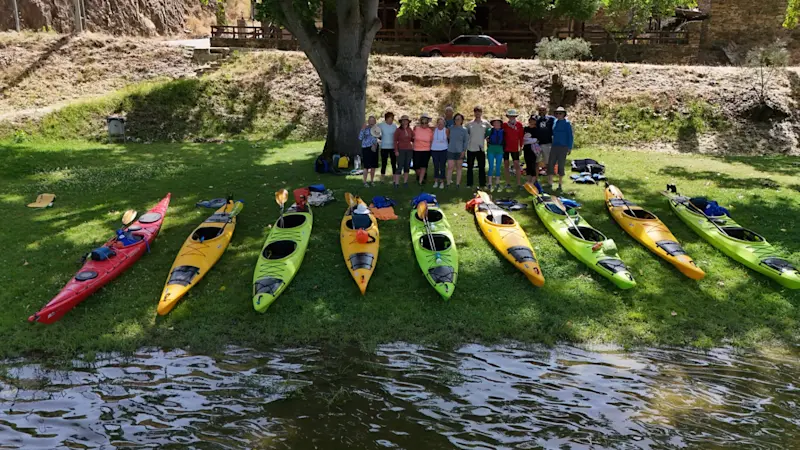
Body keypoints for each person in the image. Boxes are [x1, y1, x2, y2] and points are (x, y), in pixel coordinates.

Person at [549, 106, 574, 192]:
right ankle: (550, 183)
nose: (559, 115)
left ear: (564, 114)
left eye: (560, 113)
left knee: (561, 165)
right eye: (557, 113)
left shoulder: (567, 123)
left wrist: (569, 147)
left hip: (563, 147)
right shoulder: (555, 122)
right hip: (554, 146)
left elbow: (570, 136)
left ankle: (560, 184)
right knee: (551, 163)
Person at [465, 105, 490, 188]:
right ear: (474, 113)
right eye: (476, 112)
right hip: (471, 148)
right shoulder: (469, 124)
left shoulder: (486, 123)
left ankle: (482, 184)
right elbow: (465, 134)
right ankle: (469, 184)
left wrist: (488, 138)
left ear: (481, 113)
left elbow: (491, 132)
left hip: (481, 148)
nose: (478, 113)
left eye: (479, 112)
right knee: (470, 167)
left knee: (482, 167)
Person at [502, 109, 524, 190]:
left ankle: (518, 184)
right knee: (506, 165)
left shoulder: (519, 125)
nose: (512, 117)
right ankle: (507, 183)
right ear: (508, 117)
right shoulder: (504, 125)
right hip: (505, 148)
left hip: (515, 148)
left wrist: (521, 147)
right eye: (510, 116)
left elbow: (521, 137)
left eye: (513, 116)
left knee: (516, 165)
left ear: (515, 116)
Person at [446, 113, 468, 188]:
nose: (457, 120)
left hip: (460, 151)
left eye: (459, 119)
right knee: (450, 167)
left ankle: (457, 184)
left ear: (462, 120)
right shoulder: (450, 128)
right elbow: (447, 136)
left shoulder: (464, 130)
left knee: (459, 167)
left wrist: (463, 151)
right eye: (456, 119)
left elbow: (466, 141)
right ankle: (448, 183)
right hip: (451, 150)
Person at [393, 115, 415, 188]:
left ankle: (405, 182)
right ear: (401, 122)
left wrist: (414, 138)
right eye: (403, 120)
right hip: (401, 149)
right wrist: (396, 150)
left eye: (406, 120)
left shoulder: (410, 129)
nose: (405, 122)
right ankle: (396, 183)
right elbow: (395, 141)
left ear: (408, 122)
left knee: (407, 166)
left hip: (409, 150)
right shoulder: (398, 130)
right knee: (399, 166)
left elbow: (412, 138)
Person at [533, 105, 554, 180]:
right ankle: (535, 179)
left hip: (547, 143)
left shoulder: (551, 119)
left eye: (543, 110)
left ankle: (550, 180)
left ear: (546, 110)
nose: (541, 111)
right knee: (536, 162)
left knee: (548, 162)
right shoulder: (535, 119)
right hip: (537, 145)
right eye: (540, 110)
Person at [358, 115, 380, 186]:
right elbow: (360, 138)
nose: (372, 122)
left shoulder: (376, 129)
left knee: (373, 166)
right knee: (366, 166)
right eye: (370, 121)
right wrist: (362, 129)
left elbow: (379, 137)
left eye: (373, 121)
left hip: (374, 148)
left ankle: (372, 181)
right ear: (368, 121)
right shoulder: (365, 128)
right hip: (366, 148)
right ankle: (364, 182)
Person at [413, 113, 434, 185]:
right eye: (423, 122)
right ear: (420, 122)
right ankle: (421, 176)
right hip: (416, 150)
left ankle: (420, 181)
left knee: (423, 166)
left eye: (426, 122)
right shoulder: (416, 129)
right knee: (416, 166)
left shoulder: (430, 131)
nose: (424, 124)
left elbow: (431, 141)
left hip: (426, 150)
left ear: (428, 122)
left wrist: (431, 150)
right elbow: (412, 138)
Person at [485, 118, 505, 191]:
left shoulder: (503, 131)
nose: (496, 124)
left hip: (499, 150)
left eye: (498, 123)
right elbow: (486, 138)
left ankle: (497, 183)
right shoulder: (489, 131)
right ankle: (489, 183)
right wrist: (487, 140)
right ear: (492, 124)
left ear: (500, 124)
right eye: (495, 123)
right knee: (491, 166)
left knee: (498, 167)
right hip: (491, 149)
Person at [378, 112, 398, 183]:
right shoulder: (381, 125)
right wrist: (379, 137)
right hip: (384, 147)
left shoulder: (394, 126)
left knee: (393, 163)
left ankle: (395, 179)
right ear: (386, 119)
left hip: (392, 147)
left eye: (392, 119)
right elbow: (375, 131)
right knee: (384, 163)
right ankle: (382, 179)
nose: (391, 120)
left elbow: (396, 136)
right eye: (390, 118)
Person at [430, 117, 449, 189]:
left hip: (444, 150)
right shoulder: (434, 129)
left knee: (442, 166)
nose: (440, 124)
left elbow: (449, 138)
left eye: (442, 123)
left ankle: (442, 182)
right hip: (434, 150)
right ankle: (435, 181)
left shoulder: (446, 130)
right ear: (437, 123)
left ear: (444, 124)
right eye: (439, 123)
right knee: (436, 166)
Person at [522, 115, 539, 184]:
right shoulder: (525, 129)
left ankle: (533, 182)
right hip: (526, 149)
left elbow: (536, 140)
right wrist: (530, 140)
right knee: (528, 165)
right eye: (531, 120)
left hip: (533, 150)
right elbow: (522, 139)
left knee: (532, 165)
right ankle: (528, 181)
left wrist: (528, 140)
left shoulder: (537, 130)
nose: (532, 122)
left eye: (533, 120)